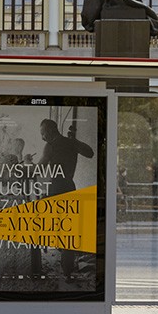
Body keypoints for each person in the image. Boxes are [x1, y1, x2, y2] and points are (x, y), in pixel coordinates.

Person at [37, 117, 94, 278]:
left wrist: (25, 166)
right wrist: (74, 141)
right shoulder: (71, 143)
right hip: (69, 187)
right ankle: (67, 271)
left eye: (43, 133)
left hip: (56, 188)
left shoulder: (50, 145)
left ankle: (53, 254)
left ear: (49, 131)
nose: (42, 137)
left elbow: (39, 169)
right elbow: (90, 153)